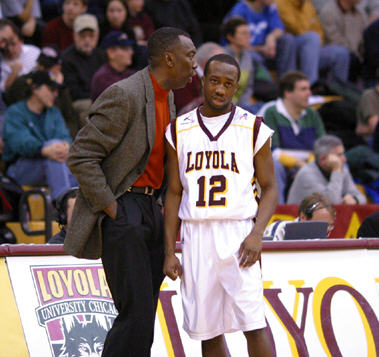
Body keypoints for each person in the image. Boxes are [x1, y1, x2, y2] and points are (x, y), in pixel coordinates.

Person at [64, 27, 197, 356]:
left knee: (143, 318)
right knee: (135, 314)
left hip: (152, 208)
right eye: (190, 56)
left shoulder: (168, 97)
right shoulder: (125, 94)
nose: (196, 65)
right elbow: (81, 155)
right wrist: (112, 207)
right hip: (125, 208)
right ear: (169, 59)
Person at [164, 54, 277, 356]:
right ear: (203, 80)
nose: (220, 90)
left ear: (235, 88)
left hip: (238, 233)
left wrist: (256, 234)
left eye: (228, 84)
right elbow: (174, 193)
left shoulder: (253, 127)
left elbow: (270, 188)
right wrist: (168, 251)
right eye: (214, 81)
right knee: (208, 330)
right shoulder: (178, 129)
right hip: (196, 235)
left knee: (253, 323)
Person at [2, 70, 77, 201]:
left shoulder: (53, 112)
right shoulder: (15, 112)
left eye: (56, 90)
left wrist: (65, 146)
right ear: (35, 89)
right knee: (53, 152)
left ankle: (79, 210)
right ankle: (64, 205)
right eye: (51, 89)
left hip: (53, 164)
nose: (55, 94)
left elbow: (65, 136)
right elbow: (19, 142)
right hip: (20, 170)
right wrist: (44, 149)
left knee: (82, 167)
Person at [263, 71, 326, 203]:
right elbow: (271, 151)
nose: (309, 93)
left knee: (336, 160)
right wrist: (298, 164)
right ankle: (277, 210)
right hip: (284, 164)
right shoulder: (272, 112)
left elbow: (323, 147)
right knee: (274, 165)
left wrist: (308, 166)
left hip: (309, 163)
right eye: (303, 89)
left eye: (309, 89)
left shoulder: (312, 114)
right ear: (288, 93)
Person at [4, 45, 81, 139]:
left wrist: (63, 141)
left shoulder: (61, 90)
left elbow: (71, 119)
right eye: (40, 64)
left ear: (58, 68)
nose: (41, 68)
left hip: (57, 141)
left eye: (46, 67)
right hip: (32, 139)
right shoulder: (22, 83)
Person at [275, 0, 351, 85]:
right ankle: (310, 85)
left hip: (310, 49)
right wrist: (314, 39)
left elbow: (319, 30)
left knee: (341, 53)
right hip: (291, 50)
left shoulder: (308, 5)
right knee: (311, 38)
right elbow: (297, 29)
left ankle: (338, 90)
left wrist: (317, 44)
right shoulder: (281, 3)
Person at [287, 135, 367, 204]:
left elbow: (361, 197)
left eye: (343, 153)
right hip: (297, 219)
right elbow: (332, 202)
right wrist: (336, 171)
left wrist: (355, 199)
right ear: (323, 159)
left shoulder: (342, 170)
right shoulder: (307, 174)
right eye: (339, 155)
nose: (344, 159)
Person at [61, 13, 105, 126]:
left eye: (91, 36)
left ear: (97, 36)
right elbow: (74, 92)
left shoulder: (102, 55)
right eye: (83, 36)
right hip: (81, 101)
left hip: (102, 99)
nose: (87, 40)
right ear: (74, 36)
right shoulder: (67, 58)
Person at [319, 0, 367, 82]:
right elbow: (334, 39)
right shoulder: (329, 12)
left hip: (358, 57)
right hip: (339, 56)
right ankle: (339, 89)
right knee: (344, 55)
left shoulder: (360, 13)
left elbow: (365, 39)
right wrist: (355, 54)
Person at [264, 193, 336, 240]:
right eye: (322, 225)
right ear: (303, 217)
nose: (327, 230)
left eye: (330, 225)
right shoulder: (280, 229)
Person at [90, 31, 135, 101]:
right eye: (125, 48)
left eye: (130, 48)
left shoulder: (131, 74)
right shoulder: (102, 78)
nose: (131, 52)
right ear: (111, 53)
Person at [0, 19, 40, 91]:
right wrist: (14, 73)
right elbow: (3, 91)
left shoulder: (34, 51)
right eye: (5, 44)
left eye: (13, 44)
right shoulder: (2, 63)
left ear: (21, 40)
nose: (10, 50)